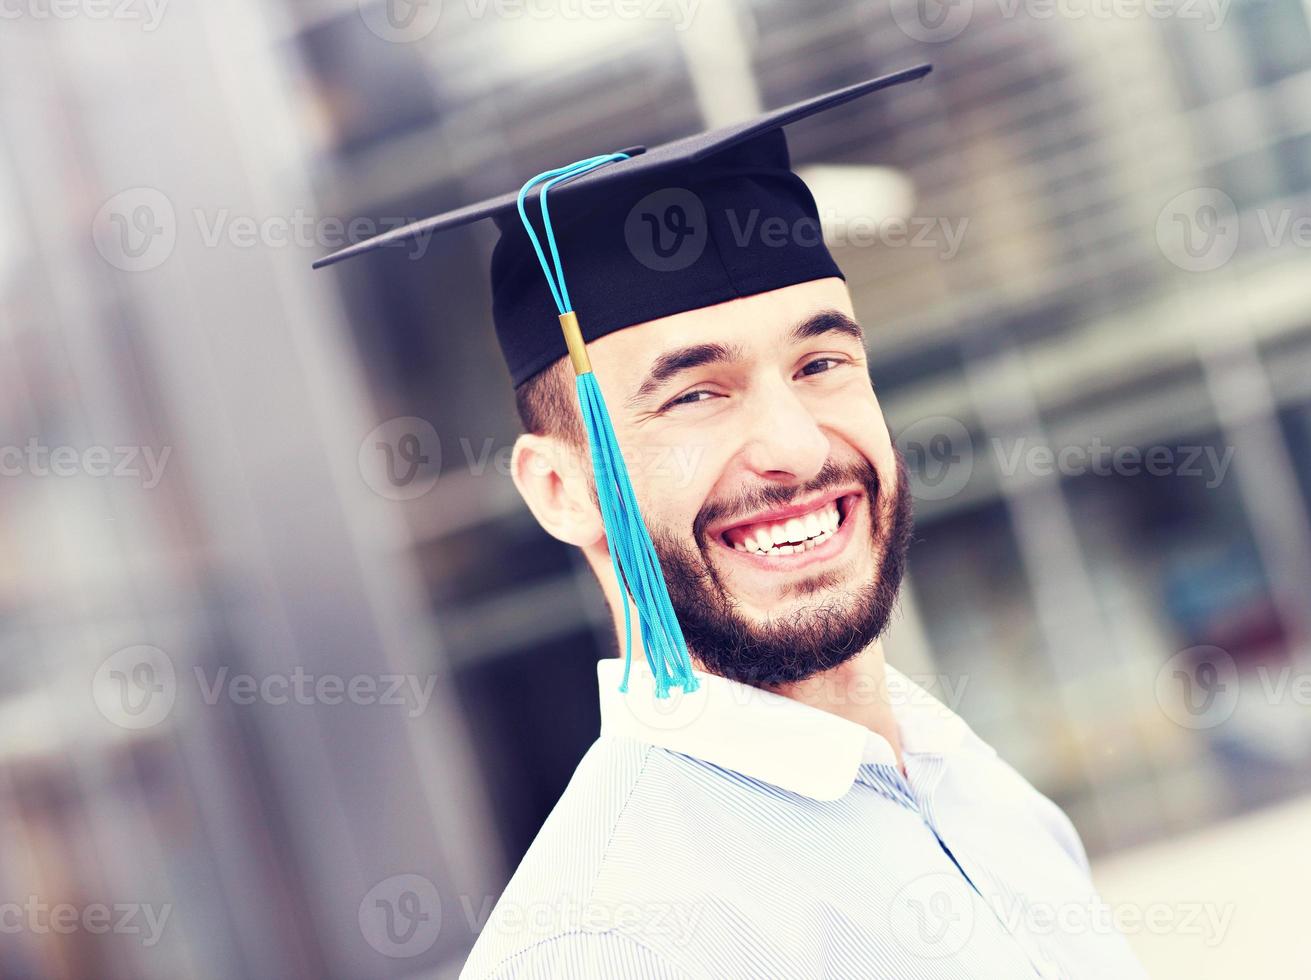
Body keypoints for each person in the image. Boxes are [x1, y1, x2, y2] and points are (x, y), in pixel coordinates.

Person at [318, 65, 1147, 980]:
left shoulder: (980, 790)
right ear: (562, 489)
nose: (792, 446)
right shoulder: (603, 947)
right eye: (696, 395)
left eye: (820, 362)